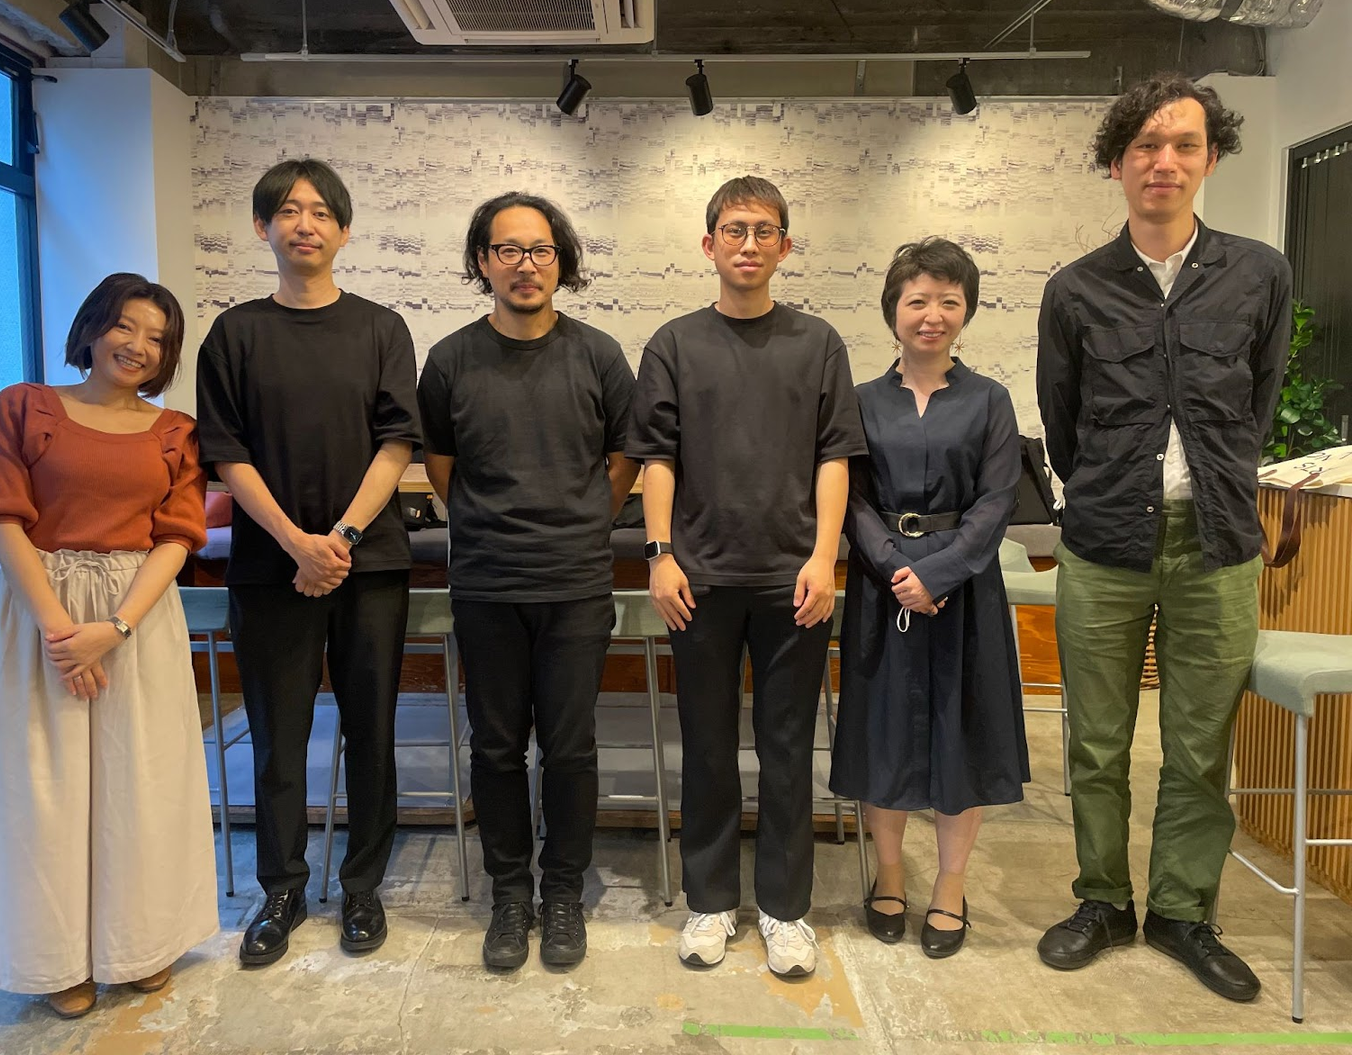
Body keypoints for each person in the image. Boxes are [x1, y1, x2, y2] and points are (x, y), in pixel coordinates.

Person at [1035, 75, 1292, 1002]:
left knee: (1200, 747)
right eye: (1145, 145)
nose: (1164, 161)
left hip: (1216, 543)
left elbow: (1259, 406)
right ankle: (1103, 900)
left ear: (1210, 158)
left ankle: (1183, 912)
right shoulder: (1075, 290)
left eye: (1183, 144)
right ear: (1118, 163)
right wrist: (1114, 491)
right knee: (1097, 744)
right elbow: (1062, 426)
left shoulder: (1260, 275)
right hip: (1103, 543)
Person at [0, 273, 218, 1018]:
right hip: (40, 610)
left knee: (142, 781)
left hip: (136, 616)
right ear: (92, 328)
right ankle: (54, 956)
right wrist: (61, 633)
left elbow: (176, 536)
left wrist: (115, 628)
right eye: (126, 326)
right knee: (43, 786)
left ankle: (141, 943)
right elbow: (3, 518)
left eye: (157, 338)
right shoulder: (23, 406)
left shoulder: (176, 431)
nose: (138, 346)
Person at [627, 175, 866, 978]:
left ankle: (786, 911)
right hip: (698, 579)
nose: (749, 244)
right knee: (706, 744)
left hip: (793, 579)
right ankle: (709, 900)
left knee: (788, 746)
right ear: (709, 245)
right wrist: (659, 554)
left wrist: (825, 556)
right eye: (734, 230)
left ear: (785, 246)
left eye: (765, 231)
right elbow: (656, 459)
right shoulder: (674, 344)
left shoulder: (818, 343)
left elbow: (835, 457)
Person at [196, 159, 421, 966]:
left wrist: (342, 540)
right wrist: (297, 542)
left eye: (322, 212)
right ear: (263, 228)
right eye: (288, 211)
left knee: (371, 730)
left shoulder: (381, 328)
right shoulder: (235, 334)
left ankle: (362, 887)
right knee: (277, 736)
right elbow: (226, 453)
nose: (305, 224)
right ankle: (282, 889)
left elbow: (398, 442)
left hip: (370, 567)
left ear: (344, 231)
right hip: (271, 567)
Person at [417, 192, 637, 971]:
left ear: (560, 261)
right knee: (497, 747)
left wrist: (586, 519)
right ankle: (511, 894)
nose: (525, 264)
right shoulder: (450, 360)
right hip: (486, 583)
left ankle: (564, 893)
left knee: (571, 748)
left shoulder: (598, 355)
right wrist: (486, 522)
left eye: (540, 250)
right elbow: (440, 465)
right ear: (483, 262)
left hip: (575, 583)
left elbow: (625, 458)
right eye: (507, 250)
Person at [829, 238, 1028, 959]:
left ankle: (950, 884)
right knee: (882, 734)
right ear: (894, 311)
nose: (932, 315)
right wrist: (893, 569)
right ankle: (888, 874)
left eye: (948, 300)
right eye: (918, 300)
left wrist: (938, 574)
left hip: (964, 590)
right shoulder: (859, 402)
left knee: (959, 734)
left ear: (965, 311)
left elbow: (997, 500)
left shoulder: (989, 400)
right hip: (883, 589)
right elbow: (849, 498)